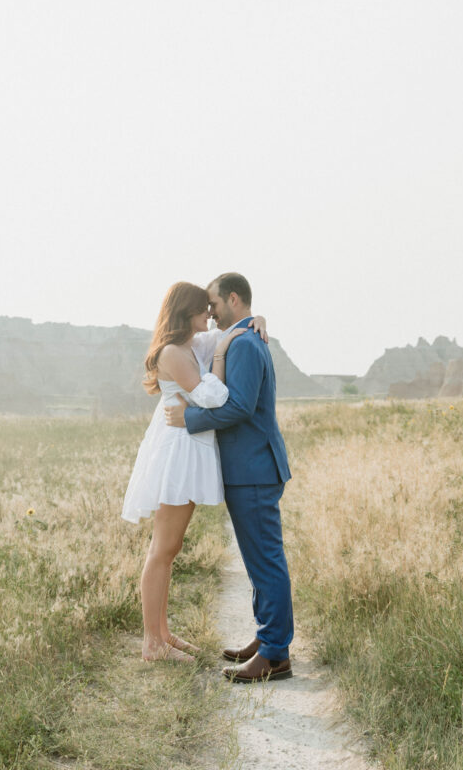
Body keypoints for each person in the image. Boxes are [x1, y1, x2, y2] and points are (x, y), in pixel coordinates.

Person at [121, 281, 267, 663]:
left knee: (170, 548)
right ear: (187, 312)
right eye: (204, 309)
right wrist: (219, 355)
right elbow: (215, 396)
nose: (210, 314)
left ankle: (163, 634)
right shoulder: (172, 352)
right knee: (162, 549)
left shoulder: (190, 344)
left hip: (188, 448)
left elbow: (228, 331)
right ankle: (152, 643)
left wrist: (258, 320)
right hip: (178, 455)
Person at [165, 272, 293, 683]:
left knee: (266, 562)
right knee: (258, 563)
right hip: (249, 468)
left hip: (254, 468)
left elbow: (239, 406)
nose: (210, 313)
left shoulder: (245, 344)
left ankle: (275, 655)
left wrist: (190, 418)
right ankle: (268, 638)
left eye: (214, 305)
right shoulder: (239, 339)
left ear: (233, 299)